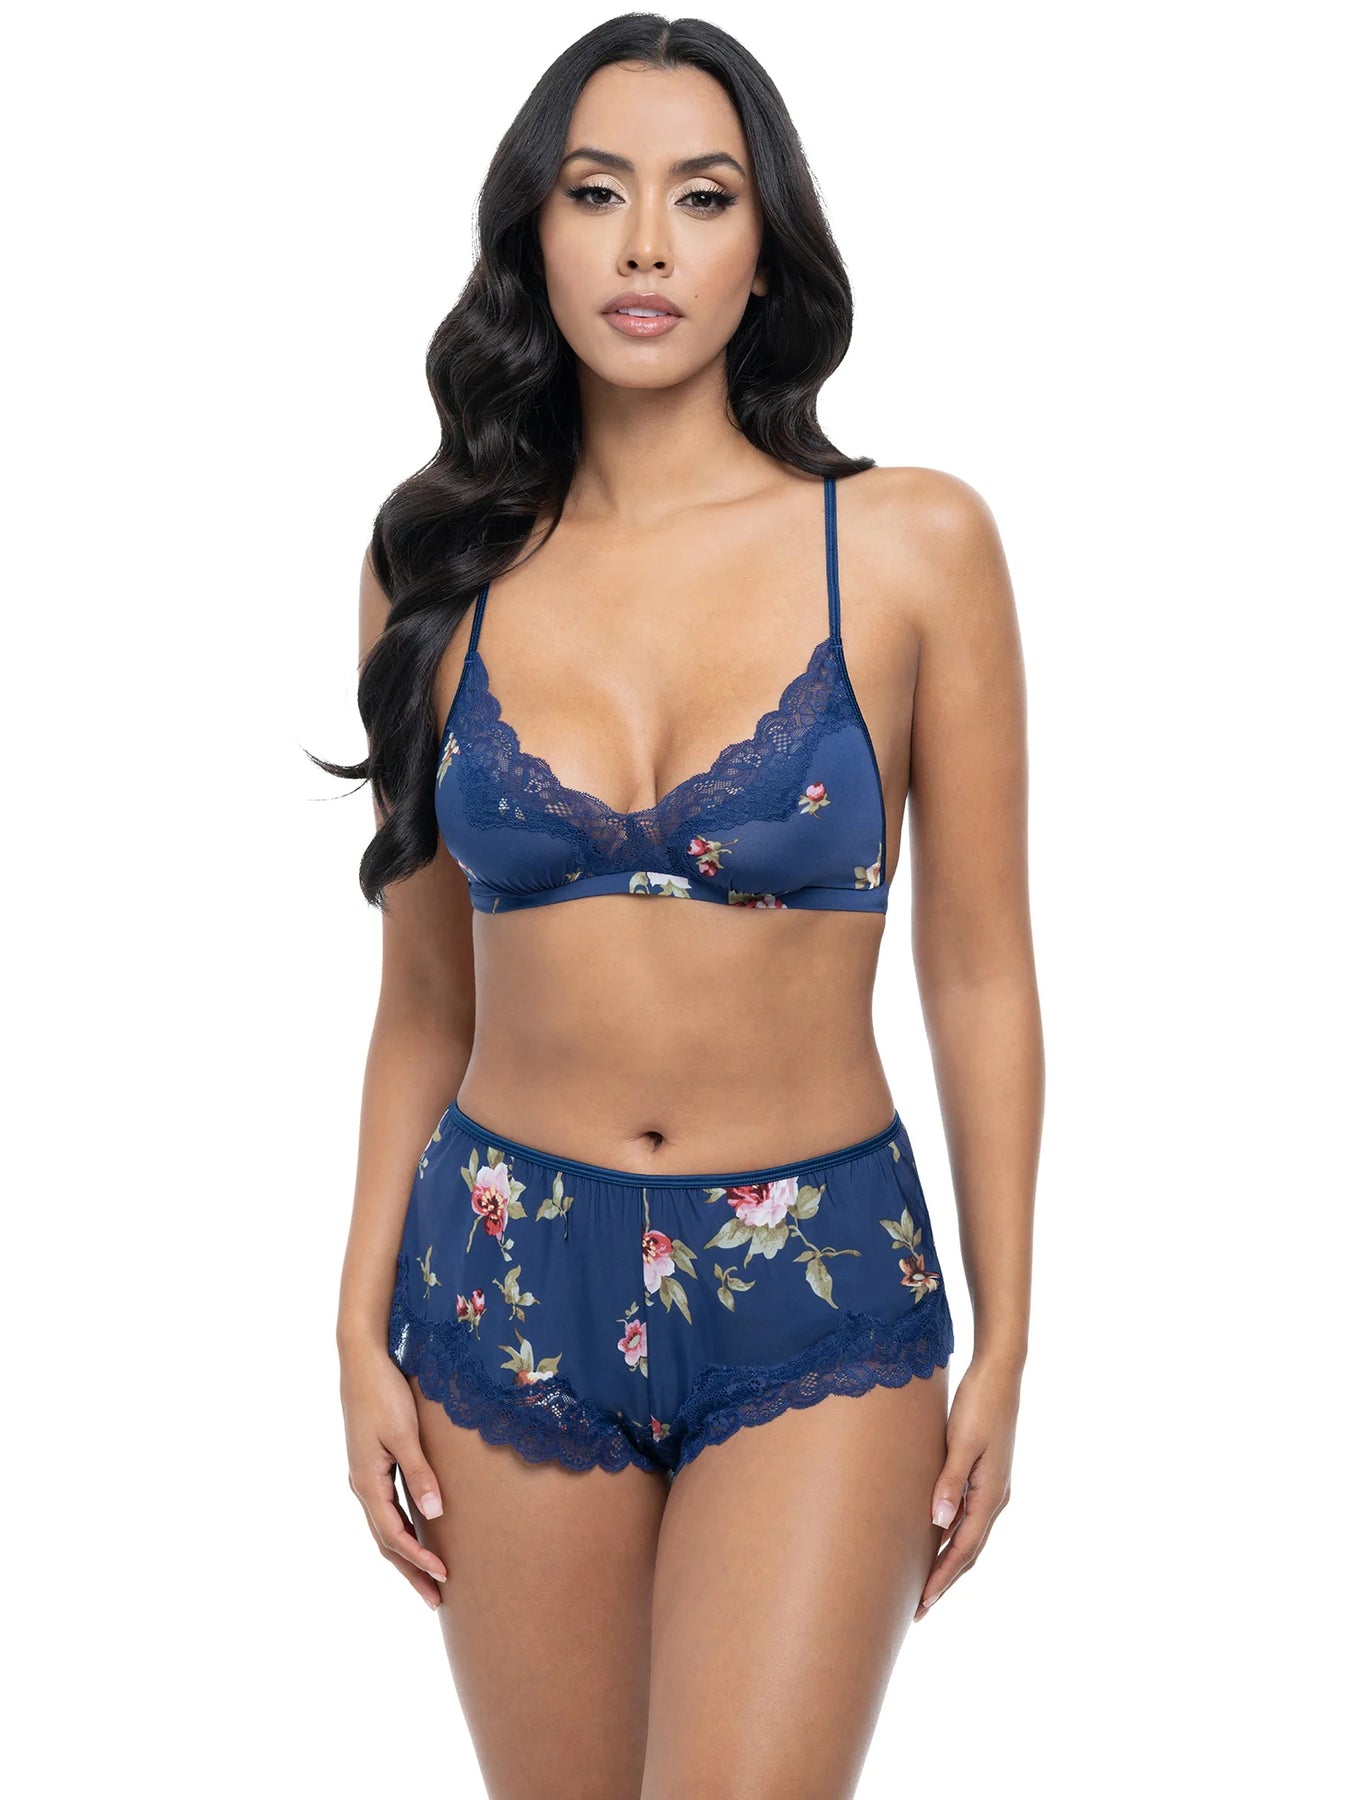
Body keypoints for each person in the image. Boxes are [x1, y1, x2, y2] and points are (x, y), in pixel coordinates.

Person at [320, 15, 1042, 1798]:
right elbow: (424, 1001)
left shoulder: (911, 545)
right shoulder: (433, 563)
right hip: (501, 1271)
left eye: (701, 197)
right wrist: (352, 1324)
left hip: (816, 1284)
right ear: (534, 230)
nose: (645, 246)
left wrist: (1009, 1335)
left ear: (764, 247)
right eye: (597, 193)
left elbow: (977, 974)